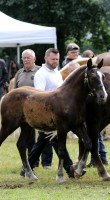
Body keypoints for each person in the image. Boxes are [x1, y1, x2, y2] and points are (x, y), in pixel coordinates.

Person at [21, 48, 74, 177]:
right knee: (54, 140)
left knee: (43, 142)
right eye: (53, 59)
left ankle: (25, 168)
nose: (55, 61)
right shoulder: (41, 74)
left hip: (57, 115)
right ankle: (70, 168)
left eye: (57, 59)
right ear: (46, 58)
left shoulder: (56, 73)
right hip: (45, 115)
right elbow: (39, 96)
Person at [14, 49, 40, 162]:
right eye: (24, 58)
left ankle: (45, 162)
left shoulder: (40, 71)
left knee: (44, 137)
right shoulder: (19, 73)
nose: (26, 60)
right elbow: (14, 91)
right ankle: (32, 160)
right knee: (27, 135)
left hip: (39, 107)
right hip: (23, 110)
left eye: (28, 57)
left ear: (34, 59)